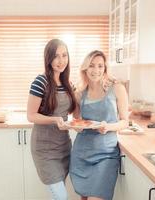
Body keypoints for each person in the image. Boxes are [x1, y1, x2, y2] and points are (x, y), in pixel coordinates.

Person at [69, 50, 129, 200]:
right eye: (92, 66)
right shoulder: (79, 93)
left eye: (100, 66)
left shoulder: (116, 88)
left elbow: (124, 121)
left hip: (106, 155)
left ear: (105, 68)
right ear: (85, 68)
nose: (96, 70)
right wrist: (77, 126)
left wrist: (108, 127)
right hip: (81, 154)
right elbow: (77, 121)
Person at [27, 39, 77, 200]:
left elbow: (76, 113)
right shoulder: (40, 82)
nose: (61, 61)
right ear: (48, 58)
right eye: (56, 56)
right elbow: (31, 115)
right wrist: (55, 120)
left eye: (64, 55)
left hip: (63, 146)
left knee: (57, 196)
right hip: (45, 149)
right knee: (61, 196)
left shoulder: (68, 83)